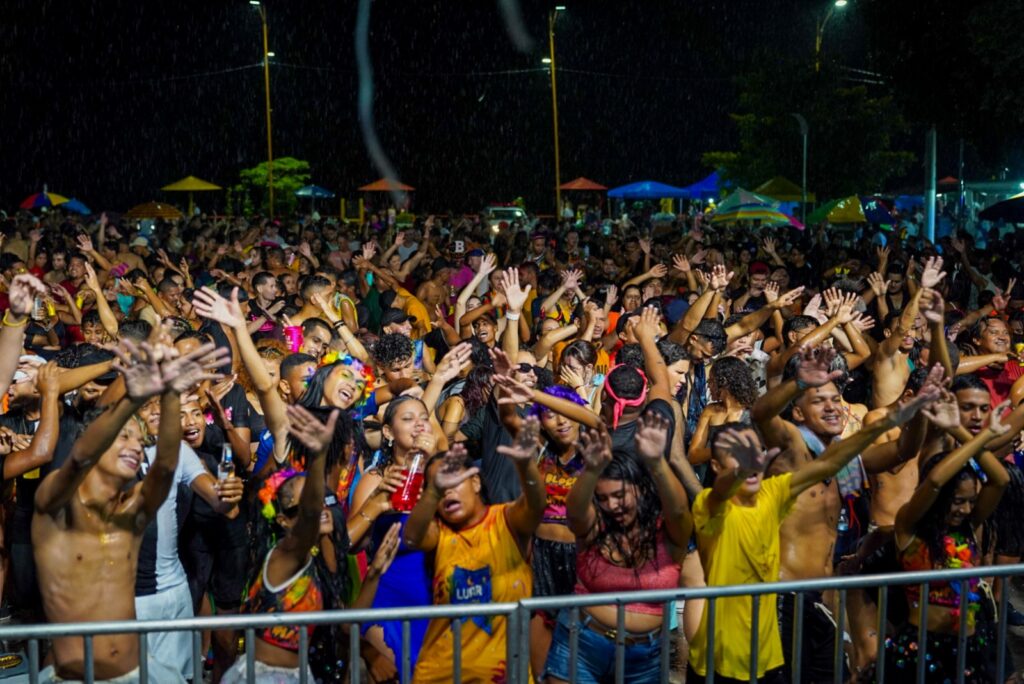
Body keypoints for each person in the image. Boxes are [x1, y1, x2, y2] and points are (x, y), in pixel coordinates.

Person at [31, 339, 226, 682]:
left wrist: (171, 395)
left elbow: (165, 467)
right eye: (124, 437)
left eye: (139, 440)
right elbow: (79, 459)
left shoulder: (132, 511)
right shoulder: (56, 506)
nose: (135, 446)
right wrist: (132, 399)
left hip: (138, 674)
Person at [222, 404, 401, 684]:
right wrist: (319, 458)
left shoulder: (316, 558)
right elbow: (308, 517)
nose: (317, 509)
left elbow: (344, 623)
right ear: (282, 521)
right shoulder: (283, 557)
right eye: (305, 507)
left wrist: (375, 574)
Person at [544, 413, 691, 684]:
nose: (612, 505)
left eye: (620, 495)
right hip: (582, 645)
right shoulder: (595, 528)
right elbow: (575, 513)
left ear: (641, 490)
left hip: (645, 657)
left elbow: (681, 511)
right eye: (603, 498)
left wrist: (658, 463)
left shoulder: (667, 534)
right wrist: (591, 471)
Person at [405, 417, 546, 684]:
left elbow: (537, 505)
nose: (447, 492)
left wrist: (527, 466)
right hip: (441, 675)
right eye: (438, 487)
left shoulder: (506, 520)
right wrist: (433, 490)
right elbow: (412, 538)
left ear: (476, 483)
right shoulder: (439, 533)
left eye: (454, 481)